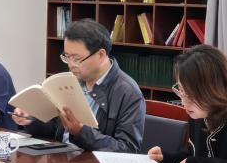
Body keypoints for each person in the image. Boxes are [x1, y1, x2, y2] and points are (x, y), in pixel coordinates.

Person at [12, 19, 145, 152]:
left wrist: (80, 132)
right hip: (60, 155)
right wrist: (31, 118)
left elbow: (128, 149)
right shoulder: (68, 81)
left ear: (101, 55)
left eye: (77, 59)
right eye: (67, 57)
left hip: (92, 162)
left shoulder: (127, 92)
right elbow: (53, 130)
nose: (71, 65)